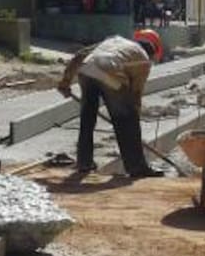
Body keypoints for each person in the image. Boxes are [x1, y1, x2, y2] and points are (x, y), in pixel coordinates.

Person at [56, 35, 163, 178]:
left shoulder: (112, 41)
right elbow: (136, 92)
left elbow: (80, 55)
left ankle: (84, 162)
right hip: (110, 72)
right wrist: (133, 116)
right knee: (126, 120)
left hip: (87, 71)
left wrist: (65, 82)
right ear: (150, 53)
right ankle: (137, 167)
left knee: (87, 119)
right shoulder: (144, 59)